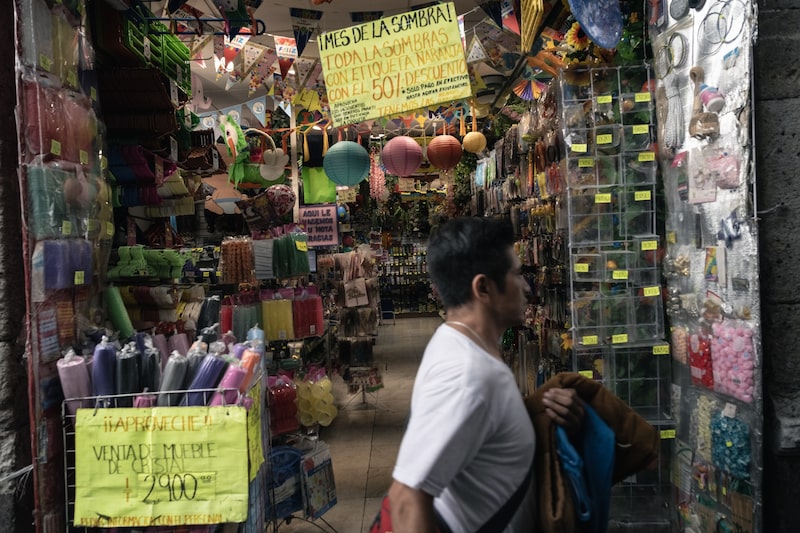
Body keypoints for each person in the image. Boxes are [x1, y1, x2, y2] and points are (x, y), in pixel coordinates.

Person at [386, 216, 585, 533]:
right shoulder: (467, 376)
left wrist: (541, 412)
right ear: (484, 288)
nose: (525, 286)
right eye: (517, 274)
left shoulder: (467, 348)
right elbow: (407, 501)